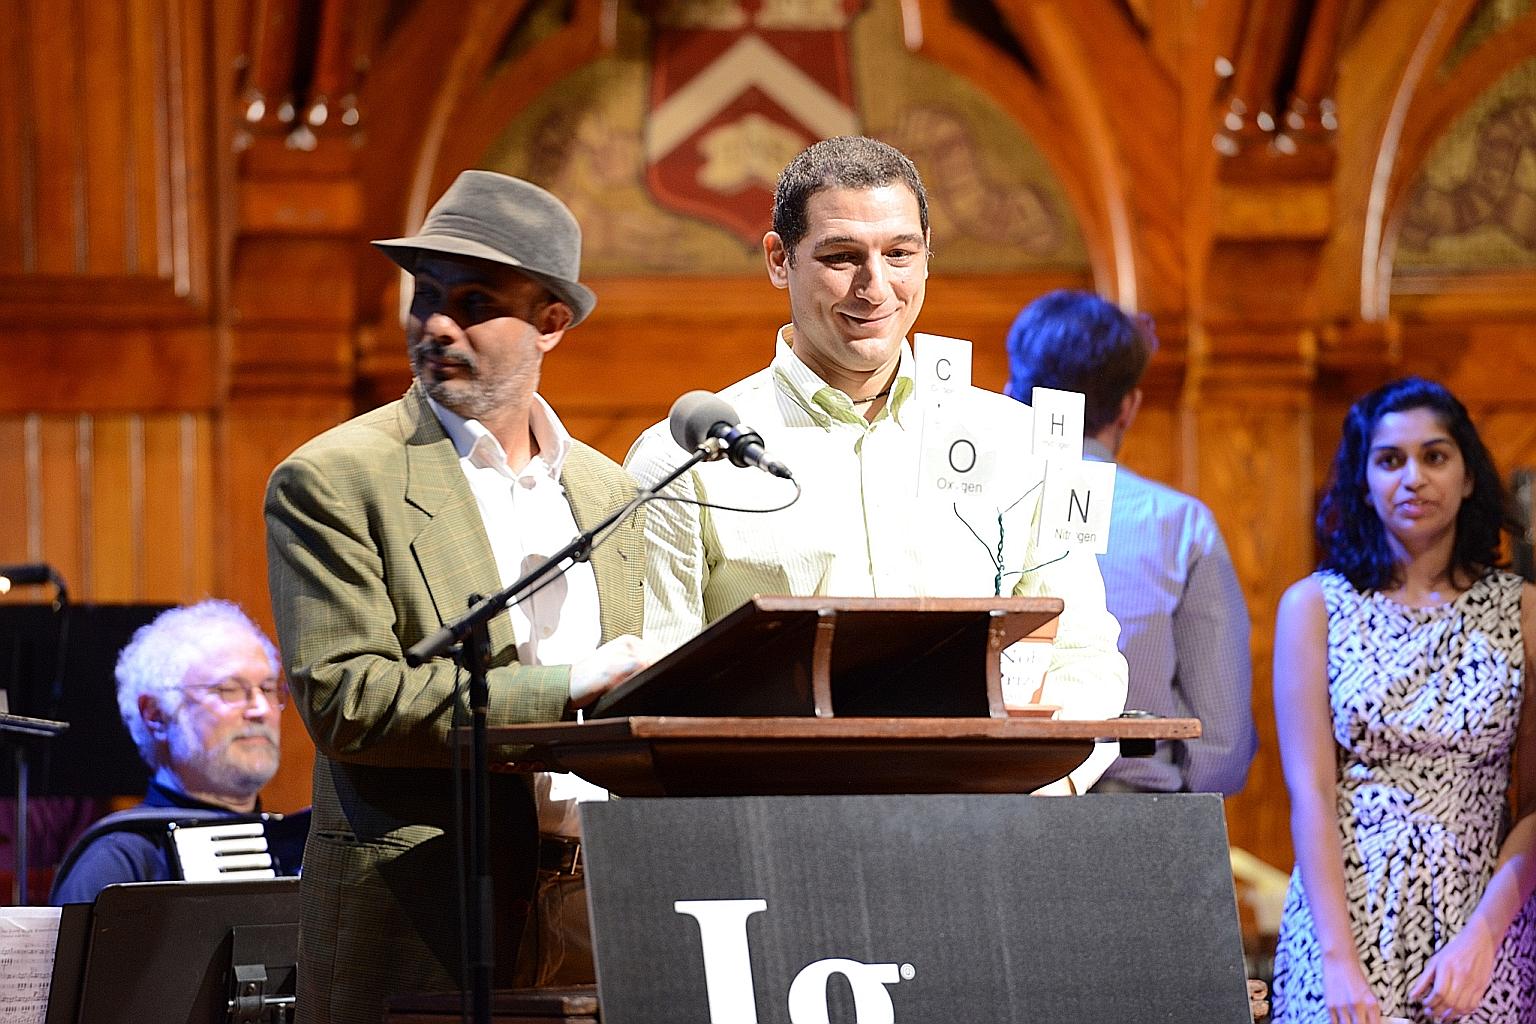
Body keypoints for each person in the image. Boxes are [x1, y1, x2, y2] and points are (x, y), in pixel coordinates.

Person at [265, 170, 655, 1024]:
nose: (437, 324)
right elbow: (347, 701)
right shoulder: (334, 479)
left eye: (474, 302)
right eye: (426, 297)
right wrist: (567, 688)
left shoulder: (608, 488)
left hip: (604, 902)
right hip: (426, 914)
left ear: (552, 322)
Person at [625, 136, 1126, 793]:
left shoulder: (1023, 443)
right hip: (769, 836)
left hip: (984, 834)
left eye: (899, 254)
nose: (875, 286)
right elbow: (657, 691)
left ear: (927, 256)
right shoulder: (683, 457)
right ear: (780, 260)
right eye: (841, 257)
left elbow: (1084, 655)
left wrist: (1035, 797)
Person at [1271, 377, 1536, 1023]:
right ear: (1363, 481)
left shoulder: (1523, 610)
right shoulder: (1314, 606)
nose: (1413, 477)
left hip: (1483, 919)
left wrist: (1483, 942)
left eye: (1434, 456)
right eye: (1390, 460)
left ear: (1469, 476)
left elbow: (1535, 804)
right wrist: (1337, 959)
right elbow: (1312, 795)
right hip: (1344, 915)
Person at [1003, 290, 1256, 795]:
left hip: (987, 808)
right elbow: (1221, 741)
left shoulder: (962, 505)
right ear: (1129, 406)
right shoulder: (1179, 525)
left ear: (1011, 392)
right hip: (1139, 817)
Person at [49, 599, 300, 904]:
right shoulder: (115, 862)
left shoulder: (303, 850)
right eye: (230, 689)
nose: (261, 709)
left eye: (269, 688)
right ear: (155, 715)